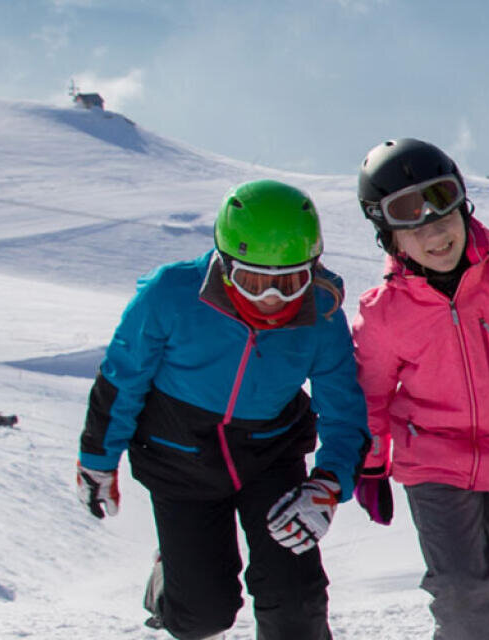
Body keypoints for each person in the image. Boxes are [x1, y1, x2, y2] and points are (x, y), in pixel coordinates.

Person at [75, 179, 369, 640]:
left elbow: (345, 411)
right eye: (253, 282)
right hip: (178, 460)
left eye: (290, 282)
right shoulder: (170, 295)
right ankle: (169, 576)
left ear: (312, 269)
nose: (271, 301)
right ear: (224, 265)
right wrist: (97, 461)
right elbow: (122, 378)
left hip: (269, 460)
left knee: (296, 601)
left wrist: (327, 485)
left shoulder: (321, 312)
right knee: (202, 616)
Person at [349, 138, 489, 639]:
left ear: (463, 203)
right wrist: (371, 461)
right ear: (387, 234)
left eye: (442, 205)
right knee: (462, 605)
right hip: (433, 463)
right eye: (412, 219)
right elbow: (370, 395)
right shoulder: (383, 313)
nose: (435, 230)